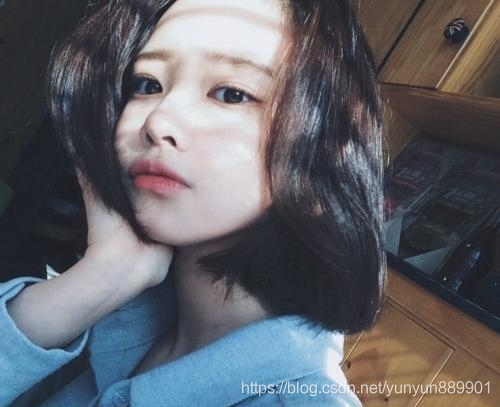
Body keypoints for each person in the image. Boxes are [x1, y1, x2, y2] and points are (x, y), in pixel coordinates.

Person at [0, 0, 386, 405]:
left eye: (232, 94)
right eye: (147, 85)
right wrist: (104, 275)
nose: (157, 121)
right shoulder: (117, 317)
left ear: (330, 152)